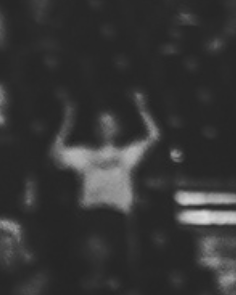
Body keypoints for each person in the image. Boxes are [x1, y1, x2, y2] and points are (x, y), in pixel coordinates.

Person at [49, 93, 161, 253]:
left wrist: (141, 107)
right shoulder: (84, 154)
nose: (105, 128)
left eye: (109, 124)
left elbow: (154, 136)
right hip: (91, 215)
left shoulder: (127, 154)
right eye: (101, 124)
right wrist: (68, 120)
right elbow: (55, 154)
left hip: (118, 216)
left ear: (118, 128)